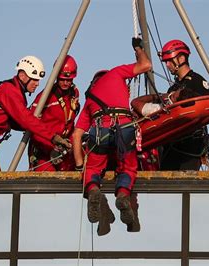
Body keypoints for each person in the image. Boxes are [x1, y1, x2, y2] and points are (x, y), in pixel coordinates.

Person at [72, 37, 152, 235]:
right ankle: (123, 194)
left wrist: (80, 165)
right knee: (128, 167)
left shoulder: (90, 99)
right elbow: (146, 65)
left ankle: (93, 190)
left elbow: (76, 135)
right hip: (124, 126)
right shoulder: (116, 74)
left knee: (94, 168)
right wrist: (138, 49)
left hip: (100, 129)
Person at [156, 39, 209, 170]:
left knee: (186, 187)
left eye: (169, 61)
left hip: (191, 147)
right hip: (172, 147)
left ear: (181, 58)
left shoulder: (198, 82)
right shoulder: (173, 89)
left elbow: (205, 111)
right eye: (166, 62)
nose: (167, 65)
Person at [28, 55, 80, 171]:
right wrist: (51, 148)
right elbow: (32, 127)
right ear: (56, 77)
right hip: (44, 150)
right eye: (62, 79)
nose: (66, 83)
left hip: (64, 148)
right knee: (45, 184)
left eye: (69, 79)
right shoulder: (44, 97)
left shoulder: (74, 94)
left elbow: (70, 123)